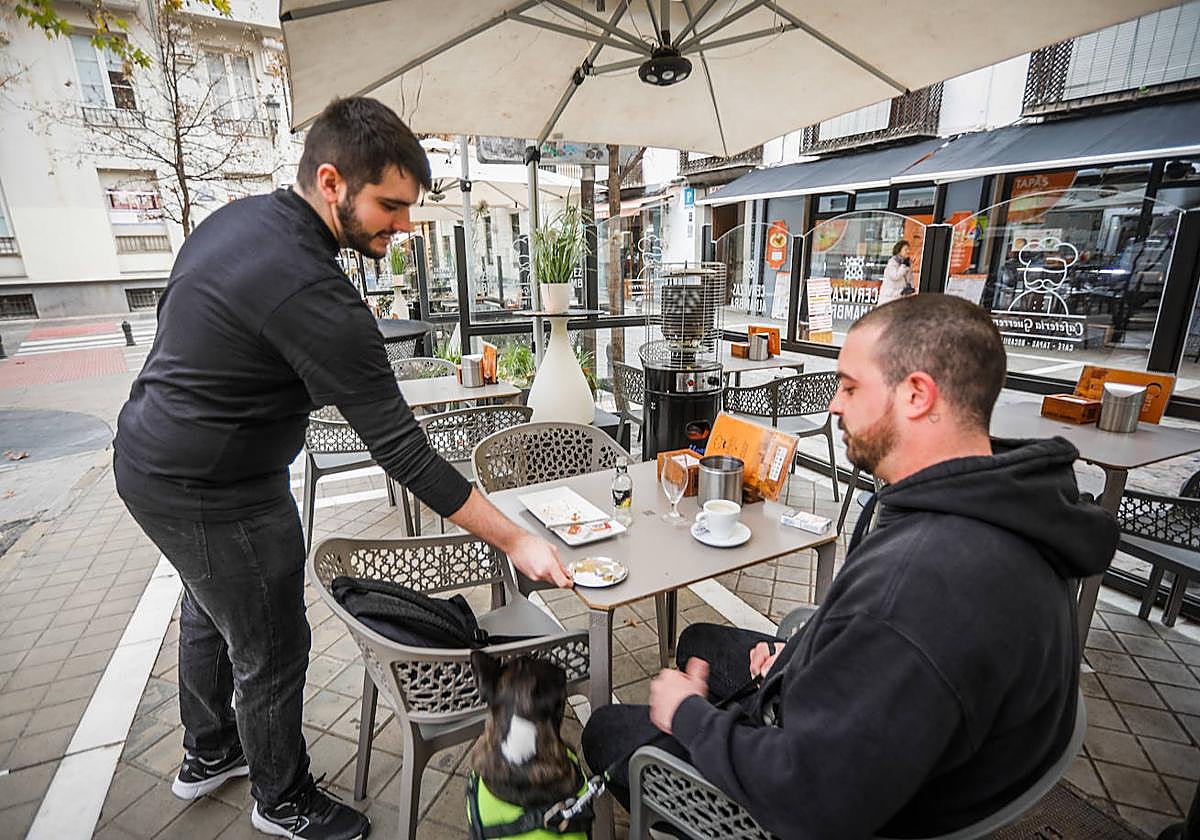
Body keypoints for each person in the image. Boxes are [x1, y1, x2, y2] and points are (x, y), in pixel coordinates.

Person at [113, 97, 570, 840]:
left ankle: (211, 751)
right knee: (272, 639)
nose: (404, 225)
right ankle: (281, 796)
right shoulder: (312, 290)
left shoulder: (238, 221)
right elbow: (404, 451)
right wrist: (514, 539)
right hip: (212, 485)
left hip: (150, 457)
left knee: (212, 606)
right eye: (390, 206)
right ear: (331, 183)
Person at [581, 294, 1116, 839]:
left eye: (851, 386)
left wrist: (690, 717)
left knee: (608, 730)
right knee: (697, 640)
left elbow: (810, 796)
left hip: (834, 803)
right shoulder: (1006, 504)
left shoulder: (920, 590)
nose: (834, 403)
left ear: (916, 395)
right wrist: (807, 655)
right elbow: (880, 660)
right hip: (883, 733)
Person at [877, 239, 914, 306]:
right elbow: (895, 276)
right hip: (888, 299)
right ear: (899, 251)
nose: (908, 251)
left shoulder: (907, 263)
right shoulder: (892, 263)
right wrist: (903, 266)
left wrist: (910, 288)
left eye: (909, 249)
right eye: (905, 249)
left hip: (899, 299)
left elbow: (909, 279)